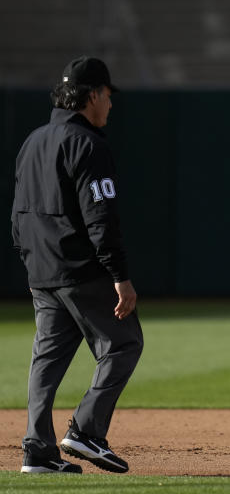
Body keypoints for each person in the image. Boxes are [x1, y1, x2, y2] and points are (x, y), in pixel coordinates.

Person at [11, 56, 143, 474]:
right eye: (107, 95)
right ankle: (86, 431)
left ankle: (38, 450)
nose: (110, 103)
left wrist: (31, 262)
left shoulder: (32, 141)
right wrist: (120, 277)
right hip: (81, 268)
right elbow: (100, 218)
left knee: (46, 360)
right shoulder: (88, 144)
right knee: (123, 343)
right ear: (91, 96)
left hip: (41, 270)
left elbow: (18, 214)